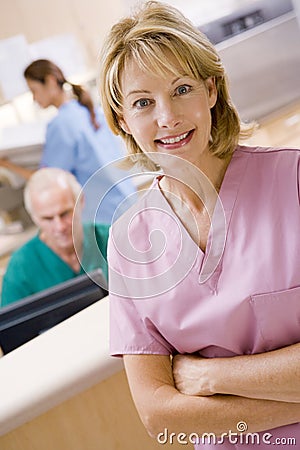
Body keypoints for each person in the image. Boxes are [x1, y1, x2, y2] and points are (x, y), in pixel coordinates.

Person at [98, 1, 300, 449]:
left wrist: (209, 375)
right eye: (143, 102)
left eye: (182, 89)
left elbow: (185, 406)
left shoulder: (294, 182)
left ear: (211, 89)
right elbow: (159, 417)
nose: (167, 117)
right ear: (122, 119)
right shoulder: (129, 240)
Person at [0, 59, 136, 223]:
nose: (34, 99)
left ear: (50, 81)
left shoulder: (61, 125)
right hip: (128, 202)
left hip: (103, 216)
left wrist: (7, 165)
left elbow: (47, 178)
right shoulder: (92, 111)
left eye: (34, 90)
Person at [1, 167, 109, 306]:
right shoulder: (21, 267)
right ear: (33, 217)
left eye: (65, 213)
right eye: (47, 218)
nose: (60, 227)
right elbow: (12, 325)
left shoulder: (110, 239)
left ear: (81, 201)